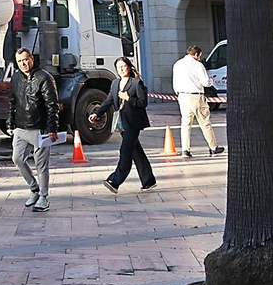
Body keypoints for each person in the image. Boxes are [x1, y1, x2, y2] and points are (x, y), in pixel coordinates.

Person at [92, 57, 157, 193]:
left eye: (123, 66)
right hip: (122, 122)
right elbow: (108, 101)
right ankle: (148, 180)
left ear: (129, 67)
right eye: (119, 67)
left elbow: (143, 103)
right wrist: (97, 113)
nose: (121, 70)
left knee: (125, 151)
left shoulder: (136, 83)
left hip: (133, 123)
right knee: (136, 151)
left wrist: (129, 98)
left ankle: (115, 181)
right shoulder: (115, 84)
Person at [9, 47, 58, 212]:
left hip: (40, 128)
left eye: (25, 59)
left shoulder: (44, 77)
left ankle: (43, 197)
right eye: (20, 61)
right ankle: (34, 188)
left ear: (32, 58)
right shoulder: (16, 78)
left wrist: (52, 128)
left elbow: (52, 105)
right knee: (17, 159)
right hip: (21, 128)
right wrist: (10, 124)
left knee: (41, 165)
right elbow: (12, 102)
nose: (23, 63)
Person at [172, 45, 222, 158]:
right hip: (196, 96)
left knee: (185, 124)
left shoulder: (178, 64)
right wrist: (211, 80)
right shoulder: (198, 65)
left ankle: (185, 150)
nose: (200, 58)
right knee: (205, 122)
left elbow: (175, 83)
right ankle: (213, 147)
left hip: (182, 96)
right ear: (196, 54)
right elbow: (205, 83)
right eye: (200, 56)